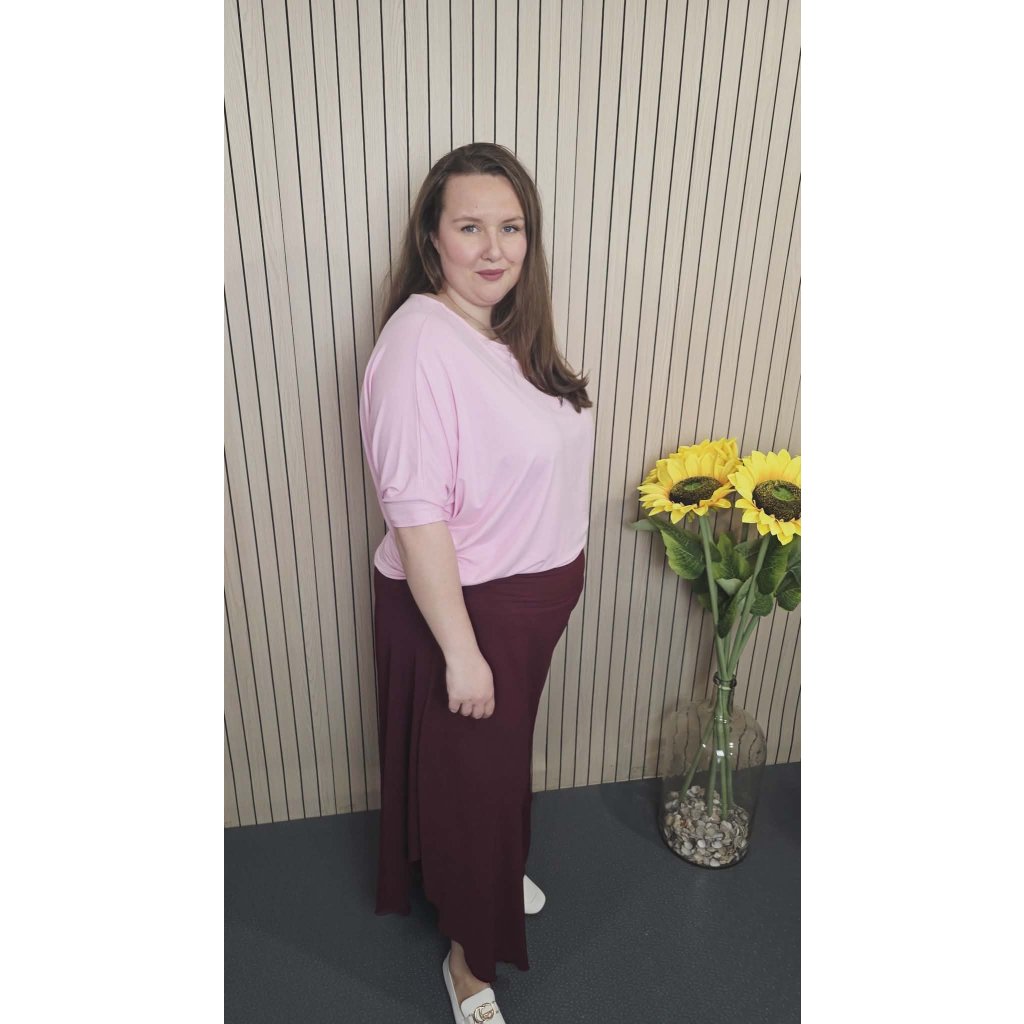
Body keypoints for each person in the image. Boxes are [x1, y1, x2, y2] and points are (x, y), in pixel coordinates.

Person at [359, 142, 594, 1024]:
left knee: (485, 779)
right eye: (470, 227)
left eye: (512, 227)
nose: (494, 249)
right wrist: (462, 653)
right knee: (476, 790)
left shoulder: (501, 335)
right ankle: (468, 967)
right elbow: (415, 513)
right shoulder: (419, 343)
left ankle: (485, 873)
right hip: (466, 612)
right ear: (432, 239)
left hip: (523, 609)